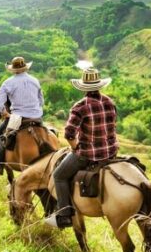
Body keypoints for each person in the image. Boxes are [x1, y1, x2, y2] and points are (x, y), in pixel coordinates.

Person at [45, 67, 118, 229]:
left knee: (59, 175)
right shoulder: (109, 102)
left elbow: (69, 134)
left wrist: (75, 147)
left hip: (88, 155)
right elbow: (112, 127)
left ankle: (64, 216)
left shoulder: (80, 106)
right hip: (111, 152)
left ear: (83, 87)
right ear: (99, 86)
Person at [0, 56, 44, 175]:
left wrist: (5, 113)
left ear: (13, 69)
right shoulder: (35, 80)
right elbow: (41, 102)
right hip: (36, 117)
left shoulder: (8, 82)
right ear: (25, 68)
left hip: (17, 118)